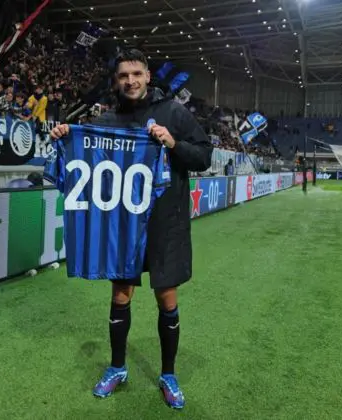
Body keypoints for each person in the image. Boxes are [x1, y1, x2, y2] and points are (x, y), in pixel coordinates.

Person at [50, 49, 213, 409]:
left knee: (166, 299)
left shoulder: (172, 111)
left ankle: (168, 373)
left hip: (165, 222)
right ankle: (117, 367)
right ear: (116, 80)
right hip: (122, 223)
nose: (131, 81)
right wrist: (65, 136)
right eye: (124, 75)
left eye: (136, 74)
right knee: (121, 296)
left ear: (148, 76)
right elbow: (87, 160)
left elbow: (204, 155)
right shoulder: (107, 119)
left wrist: (172, 142)